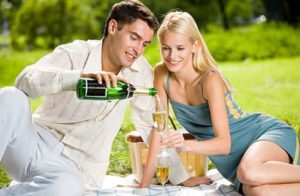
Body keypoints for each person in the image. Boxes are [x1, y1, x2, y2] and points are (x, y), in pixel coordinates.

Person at [0, 1, 164, 195]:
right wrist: (77, 77)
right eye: (134, 38)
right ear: (113, 27)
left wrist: (182, 176)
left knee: (68, 188)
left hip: (73, 170)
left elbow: (150, 126)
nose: (138, 50)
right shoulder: (76, 52)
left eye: (144, 44)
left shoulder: (141, 71)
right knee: (10, 96)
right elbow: (24, 82)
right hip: (34, 145)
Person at [140, 10, 300, 195]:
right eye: (166, 48)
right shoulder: (161, 74)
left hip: (262, 136)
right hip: (236, 166)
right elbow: (158, 129)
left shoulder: (210, 79)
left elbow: (224, 145)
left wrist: (186, 145)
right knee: (261, 192)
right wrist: (143, 187)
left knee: (250, 171)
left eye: (180, 48)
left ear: (194, 45)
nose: (172, 55)